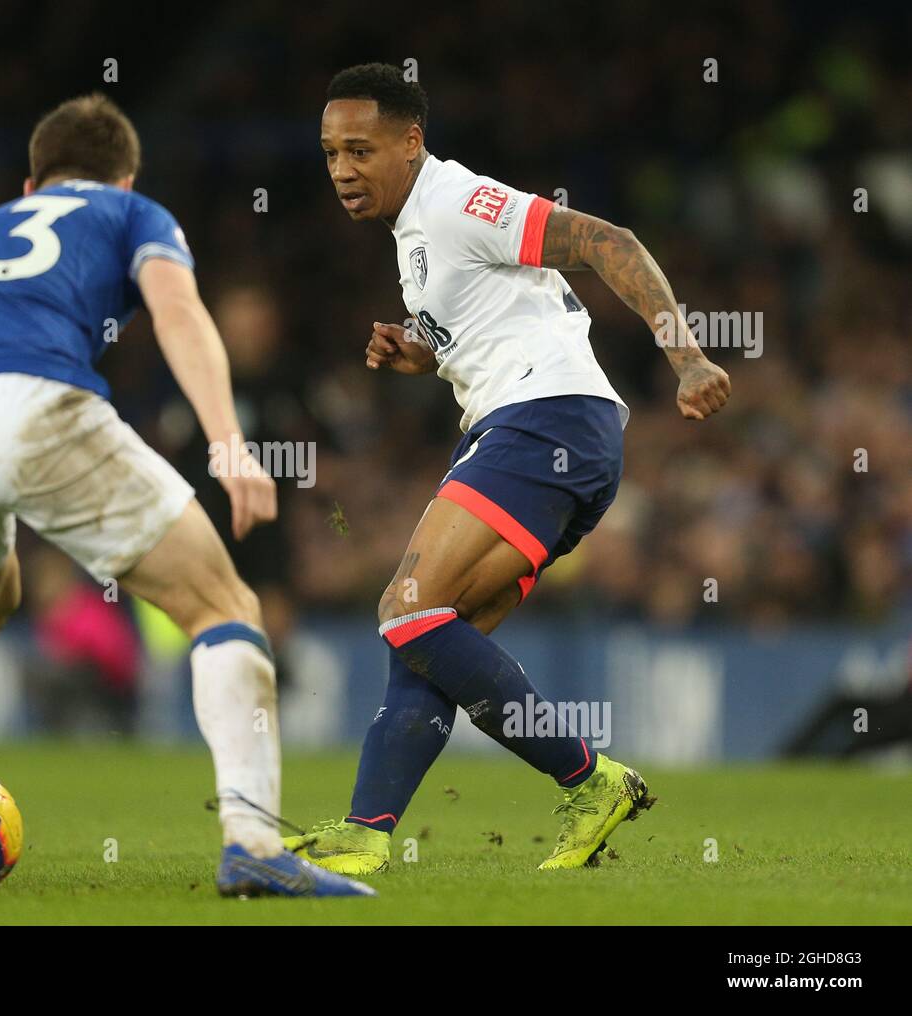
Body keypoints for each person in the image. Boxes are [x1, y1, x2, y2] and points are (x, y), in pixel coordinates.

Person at [0, 93, 372, 898]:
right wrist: (229, 443)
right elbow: (178, 310)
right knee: (225, 606)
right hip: (34, 405)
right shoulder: (132, 213)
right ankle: (251, 841)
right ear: (125, 178)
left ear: (30, 184)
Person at [287, 64, 730, 873]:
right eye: (328, 154)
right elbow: (503, 324)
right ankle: (367, 831)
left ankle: (590, 779)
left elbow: (609, 243)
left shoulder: (458, 202)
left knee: (407, 610)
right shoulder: (415, 229)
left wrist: (689, 358)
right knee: (423, 638)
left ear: (411, 141)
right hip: (551, 430)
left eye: (360, 149)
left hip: (545, 420)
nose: (343, 170)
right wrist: (422, 352)